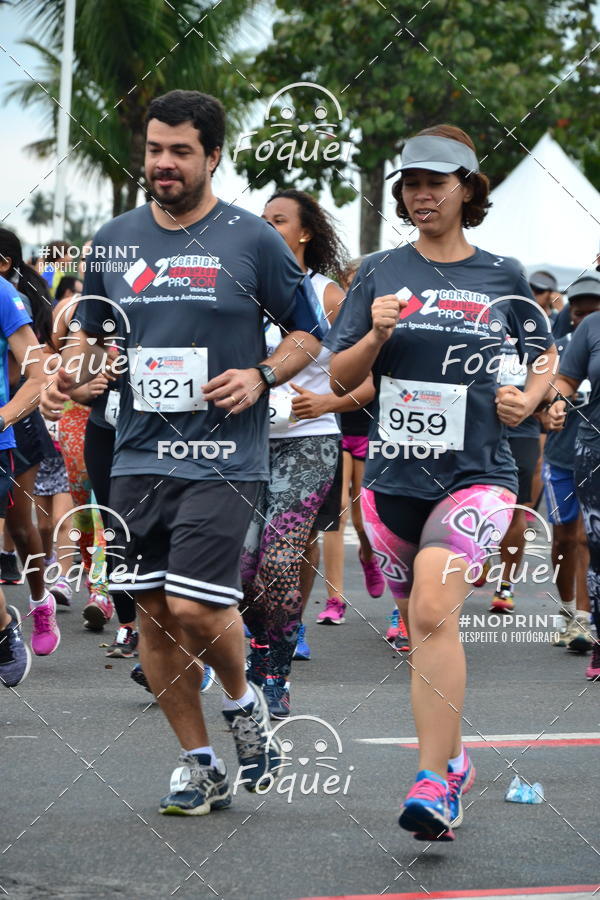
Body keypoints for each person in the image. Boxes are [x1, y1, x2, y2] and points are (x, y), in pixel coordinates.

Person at [43, 89, 323, 815]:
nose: (164, 164)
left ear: (213, 156)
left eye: (180, 152)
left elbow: (306, 331)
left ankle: (243, 700)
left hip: (226, 457)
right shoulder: (113, 240)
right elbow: (87, 352)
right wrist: (74, 377)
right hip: (134, 454)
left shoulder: (251, 240)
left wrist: (262, 374)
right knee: (154, 618)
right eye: (154, 150)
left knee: (196, 608)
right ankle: (198, 764)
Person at [326, 125, 556, 840]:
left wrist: (528, 397)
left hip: (479, 477)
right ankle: (451, 761)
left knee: (431, 606)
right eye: (410, 184)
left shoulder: (504, 274)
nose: (421, 194)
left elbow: (542, 356)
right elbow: (339, 377)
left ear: (468, 189)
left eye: (436, 182)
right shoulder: (378, 272)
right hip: (391, 485)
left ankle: (431, 784)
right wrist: (375, 334)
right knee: (428, 629)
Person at [241, 190, 347, 712]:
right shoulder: (241, 290)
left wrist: (329, 398)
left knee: (279, 561)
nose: (266, 228)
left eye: (278, 221)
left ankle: (275, 673)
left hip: (308, 443)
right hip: (241, 443)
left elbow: (370, 373)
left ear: (304, 233)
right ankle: (259, 648)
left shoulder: (328, 295)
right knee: (238, 567)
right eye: (261, 221)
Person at [0, 228, 63, 656]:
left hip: (16, 426)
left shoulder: (18, 299)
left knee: (24, 527)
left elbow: (42, 367)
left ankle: (39, 603)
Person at [540, 282, 599, 652]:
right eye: (577, 313)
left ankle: (584, 617)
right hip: (561, 458)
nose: (584, 319)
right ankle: (567, 612)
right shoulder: (557, 351)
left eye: (591, 311)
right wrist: (552, 404)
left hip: (593, 456)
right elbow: (541, 396)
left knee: (584, 537)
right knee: (564, 537)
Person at [0, 275, 48, 683]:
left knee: (23, 526)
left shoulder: (1, 293)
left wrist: (2, 417)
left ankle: (3, 632)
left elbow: (38, 375)